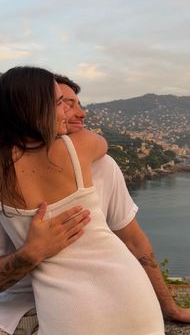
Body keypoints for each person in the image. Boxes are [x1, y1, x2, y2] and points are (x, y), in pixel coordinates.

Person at [0, 66, 165, 335]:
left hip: (66, 308)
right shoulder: (79, 146)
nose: (67, 112)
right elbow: (103, 145)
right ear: (37, 108)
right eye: (59, 103)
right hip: (130, 291)